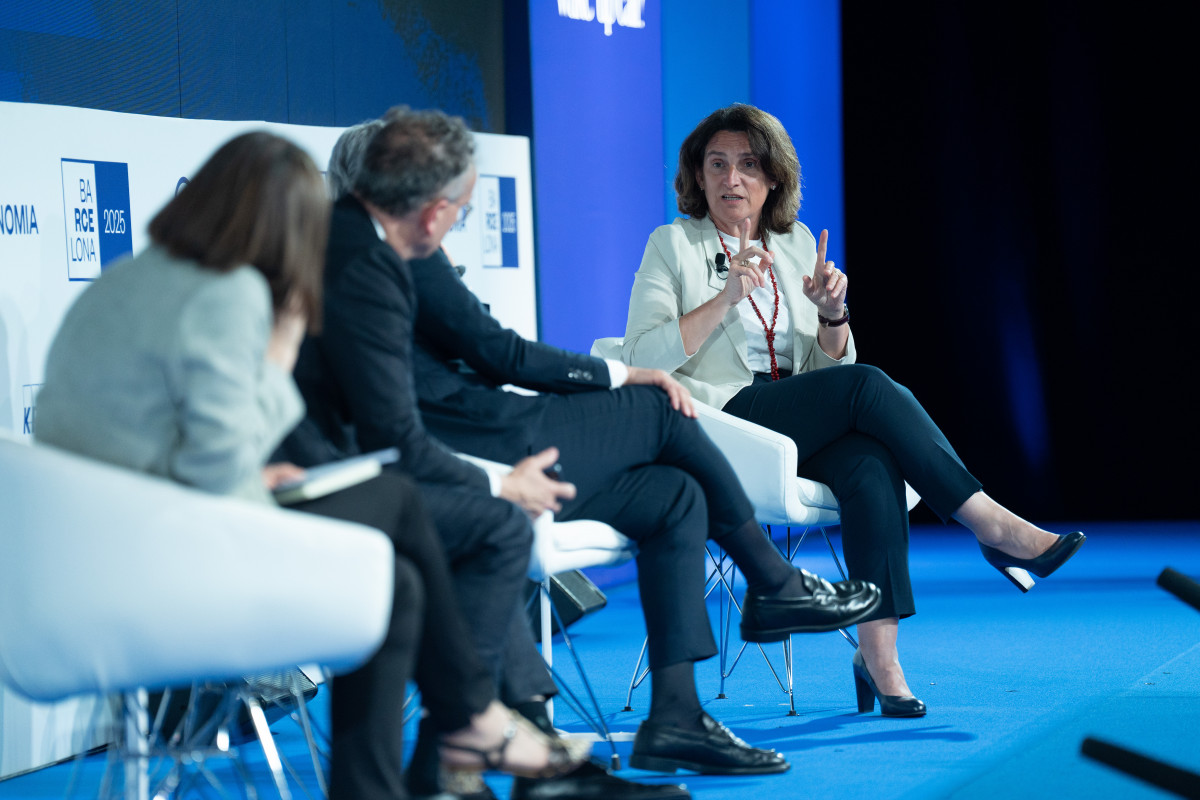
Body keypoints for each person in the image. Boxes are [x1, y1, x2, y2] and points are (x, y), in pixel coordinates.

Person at [284, 106, 883, 792]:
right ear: (412, 193)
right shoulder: (367, 253)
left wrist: (617, 375)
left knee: (672, 495)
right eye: (454, 205)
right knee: (657, 408)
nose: (451, 222)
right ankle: (773, 582)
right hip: (474, 441)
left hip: (478, 429)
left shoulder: (385, 244)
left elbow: (487, 352)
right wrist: (621, 378)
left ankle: (677, 716)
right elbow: (450, 382)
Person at [34, 131, 588, 800]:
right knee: (404, 502)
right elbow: (217, 467)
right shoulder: (229, 292)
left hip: (93, 560)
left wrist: (254, 474)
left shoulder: (136, 277)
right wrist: (285, 341)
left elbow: (169, 441)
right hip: (170, 559)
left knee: (394, 584)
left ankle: (397, 773)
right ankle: (471, 718)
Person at [621, 103, 1087, 717]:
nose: (732, 179)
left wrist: (832, 315)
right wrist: (724, 299)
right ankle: (991, 524)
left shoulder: (793, 245)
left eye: (748, 165)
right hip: (721, 422)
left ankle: (879, 658)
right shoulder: (674, 245)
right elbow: (639, 356)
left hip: (791, 421)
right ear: (698, 176)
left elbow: (827, 375)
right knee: (867, 388)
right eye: (717, 164)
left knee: (871, 462)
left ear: (773, 178)